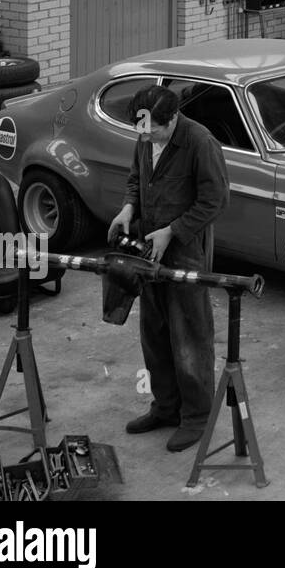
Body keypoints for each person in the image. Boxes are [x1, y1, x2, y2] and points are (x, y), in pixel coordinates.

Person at [108, 85, 229, 453]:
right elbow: (135, 179)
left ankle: (196, 417)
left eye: (153, 130)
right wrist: (129, 207)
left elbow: (215, 200)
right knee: (155, 333)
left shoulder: (200, 143)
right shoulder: (146, 135)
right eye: (141, 130)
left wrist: (173, 232)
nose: (145, 136)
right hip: (149, 251)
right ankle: (164, 407)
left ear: (173, 118)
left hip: (185, 253)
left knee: (189, 337)